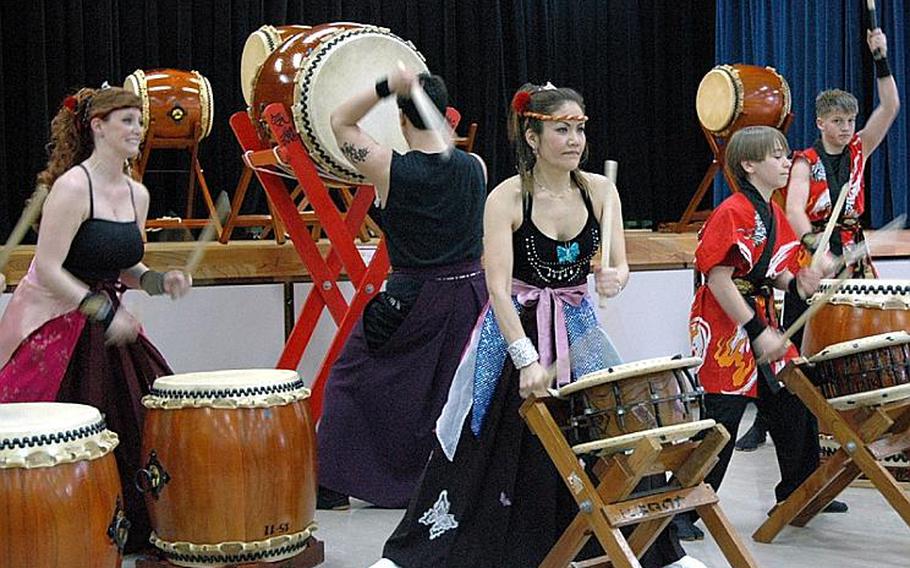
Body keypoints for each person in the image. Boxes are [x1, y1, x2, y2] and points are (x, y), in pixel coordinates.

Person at [371, 83, 703, 568]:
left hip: (576, 325)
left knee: (614, 427)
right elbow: (499, 289)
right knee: (480, 432)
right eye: (561, 129)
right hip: (514, 329)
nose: (574, 140)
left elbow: (615, 265)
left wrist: (615, 276)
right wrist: (524, 356)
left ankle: (655, 551)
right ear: (532, 136)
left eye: (579, 129)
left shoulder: (602, 191)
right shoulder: (506, 198)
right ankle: (415, 554)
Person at [0, 86, 192, 552]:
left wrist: (158, 281)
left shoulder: (137, 193)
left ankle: (123, 526)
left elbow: (125, 263)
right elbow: (48, 266)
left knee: (144, 417)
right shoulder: (71, 187)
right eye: (126, 120)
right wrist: (104, 311)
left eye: (138, 120)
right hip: (56, 319)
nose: (137, 129)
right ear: (97, 127)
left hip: (106, 316)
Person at [733, 25, 901, 494]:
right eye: (838, 120)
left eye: (850, 119)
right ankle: (780, 421)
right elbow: (792, 211)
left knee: (863, 336)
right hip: (813, 257)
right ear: (820, 122)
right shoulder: (803, 162)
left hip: (852, 255)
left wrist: (881, 58)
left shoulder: (859, 151)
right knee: (804, 344)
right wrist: (817, 251)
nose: (847, 127)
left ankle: (859, 420)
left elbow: (890, 107)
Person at [316, 69, 488, 510]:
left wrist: (385, 85)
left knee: (348, 381)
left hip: (411, 300)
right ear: (445, 115)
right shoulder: (477, 168)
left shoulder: (390, 169)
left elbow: (339, 122)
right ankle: (449, 479)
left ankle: (334, 483)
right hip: (472, 295)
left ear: (402, 118)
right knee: (450, 391)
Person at [680, 126, 828, 536]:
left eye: (786, 155)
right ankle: (682, 511)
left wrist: (798, 281)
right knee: (722, 421)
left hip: (757, 316)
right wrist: (757, 328)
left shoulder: (772, 211)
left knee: (796, 396)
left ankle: (799, 491)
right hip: (725, 323)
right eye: (777, 156)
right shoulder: (732, 211)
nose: (786, 163)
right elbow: (720, 280)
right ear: (749, 164)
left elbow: (771, 272)